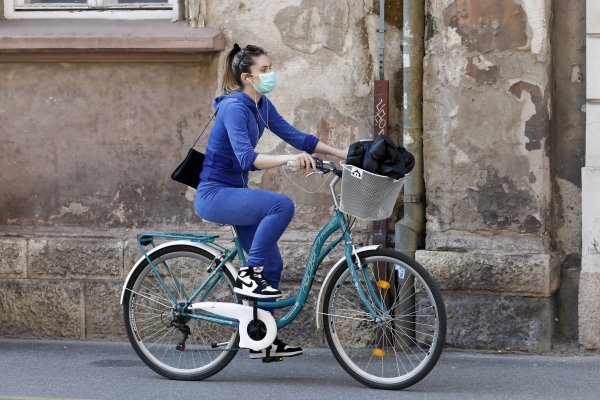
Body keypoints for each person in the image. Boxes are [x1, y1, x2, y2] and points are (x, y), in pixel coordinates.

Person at [194, 43, 347, 359]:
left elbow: (297, 137)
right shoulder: (234, 107)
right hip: (215, 194)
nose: (270, 74)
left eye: (269, 68)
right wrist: (289, 161)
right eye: (264, 70)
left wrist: (341, 154)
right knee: (281, 205)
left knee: (273, 264)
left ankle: (262, 337)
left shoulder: (261, 105)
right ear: (246, 77)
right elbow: (247, 158)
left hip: (235, 193)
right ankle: (249, 277)